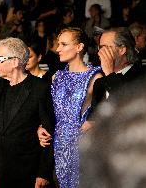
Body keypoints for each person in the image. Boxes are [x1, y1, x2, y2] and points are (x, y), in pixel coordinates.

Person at [0, 37, 55, 188]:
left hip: (28, 173)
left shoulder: (40, 88)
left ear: (15, 62)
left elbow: (49, 133)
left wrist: (43, 173)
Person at [38, 27, 102, 188]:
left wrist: (94, 122)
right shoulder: (56, 77)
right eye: (58, 44)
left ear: (79, 47)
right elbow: (50, 112)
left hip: (84, 149)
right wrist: (41, 127)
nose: (58, 49)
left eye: (63, 44)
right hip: (58, 148)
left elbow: (109, 111)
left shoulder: (95, 77)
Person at [79, 76, 146, 188]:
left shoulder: (137, 75)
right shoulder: (99, 82)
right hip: (104, 156)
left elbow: (126, 100)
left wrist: (110, 73)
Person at [88, 27, 143, 121]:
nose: (100, 52)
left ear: (122, 50)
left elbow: (128, 108)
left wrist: (110, 74)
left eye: (106, 47)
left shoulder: (140, 77)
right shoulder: (99, 82)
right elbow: (94, 116)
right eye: (100, 47)